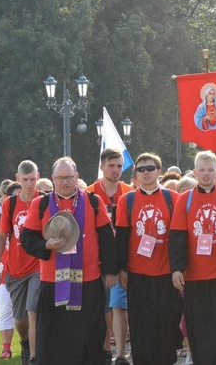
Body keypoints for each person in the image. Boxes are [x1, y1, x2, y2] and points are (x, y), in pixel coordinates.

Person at [20, 157, 116, 365]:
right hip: (53, 282)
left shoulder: (92, 201)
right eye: (60, 178)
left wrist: (110, 271)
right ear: (52, 179)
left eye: (69, 177)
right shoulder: (41, 204)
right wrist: (46, 245)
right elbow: (27, 239)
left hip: (88, 281)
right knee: (54, 336)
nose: (65, 182)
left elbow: (107, 239)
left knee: (89, 336)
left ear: (77, 177)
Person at [169, 151, 216, 365]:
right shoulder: (185, 199)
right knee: (200, 328)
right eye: (201, 170)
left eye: (210, 170)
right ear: (195, 172)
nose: (206, 174)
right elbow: (177, 237)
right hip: (195, 277)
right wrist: (176, 269)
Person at [116, 153, 182, 365]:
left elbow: (180, 237)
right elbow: (122, 238)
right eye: (141, 169)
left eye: (150, 168)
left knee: (166, 325)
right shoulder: (127, 200)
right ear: (135, 174)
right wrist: (121, 269)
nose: (145, 172)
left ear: (159, 172)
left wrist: (179, 269)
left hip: (166, 275)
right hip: (138, 274)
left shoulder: (173, 199)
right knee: (141, 327)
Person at [0, 161, 42, 365]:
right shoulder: (10, 204)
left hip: (38, 266)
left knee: (33, 308)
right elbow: (1, 238)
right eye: (25, 179)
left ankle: (35, 357)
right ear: (18, 179)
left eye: (33, 179)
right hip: (15, 270)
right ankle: (25, 342)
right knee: (20, 319)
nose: (29, 183)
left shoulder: (44, 201)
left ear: (38, 177)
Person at [85, 148, 135, 364]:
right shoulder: (89, 194)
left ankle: (121, 353)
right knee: (100, 307)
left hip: (123, 258)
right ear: (102, 166)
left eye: (119, 166)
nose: (116, 170)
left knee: (118, 304)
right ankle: (104, 348)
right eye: (111, 166)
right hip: (95, 259)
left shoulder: (130, 192)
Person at [0, 188, 19, 359]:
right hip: (4, 271)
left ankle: (28, 344)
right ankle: (6, 348)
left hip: (25, 272)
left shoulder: (29, 216)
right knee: (6, 308)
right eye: (12, 196)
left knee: (26, 311)